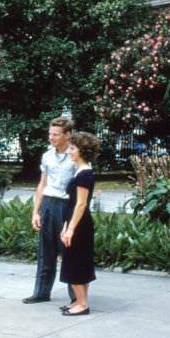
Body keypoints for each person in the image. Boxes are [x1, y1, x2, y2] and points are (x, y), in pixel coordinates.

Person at [23, 116, 77, 305]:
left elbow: (83, 187)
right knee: (45, 250)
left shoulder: (76, 156)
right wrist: (35, 212)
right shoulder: (47, 156)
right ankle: (41, 292)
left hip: (66, 206)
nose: (51, 137)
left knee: (69, 251)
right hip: (48, 204)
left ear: (67, 135)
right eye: (50, 133)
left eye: (55, 134)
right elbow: (42, 184)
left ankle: (76, 298)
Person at [59, 132, 101, 316]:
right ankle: (79, 300)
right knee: (78, 261)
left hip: (80, 224)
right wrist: (65, 226)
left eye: (73, 148)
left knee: (75, 262)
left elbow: (81, 204)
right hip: (76, 222)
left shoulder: (84, 174)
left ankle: (82, 305)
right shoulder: (81, 171)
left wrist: (70, 229)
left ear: (82, 152)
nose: (69, 151)